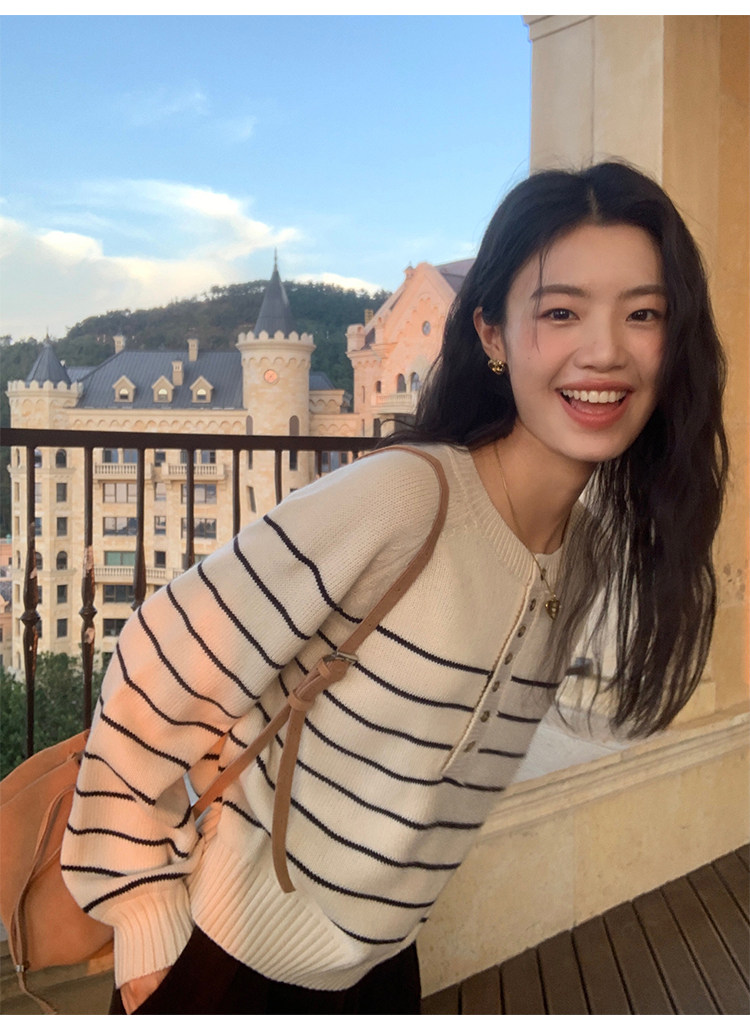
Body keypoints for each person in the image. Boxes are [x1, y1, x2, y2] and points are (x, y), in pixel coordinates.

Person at [61, 161, 728, 1015]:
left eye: (643, 313)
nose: (604, 350)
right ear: (492, 334)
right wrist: (145, 913)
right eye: (561, 311)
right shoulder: (408, 497)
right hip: (228, 956)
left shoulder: (584, 553)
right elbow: (157, 656)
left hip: (379, 969)